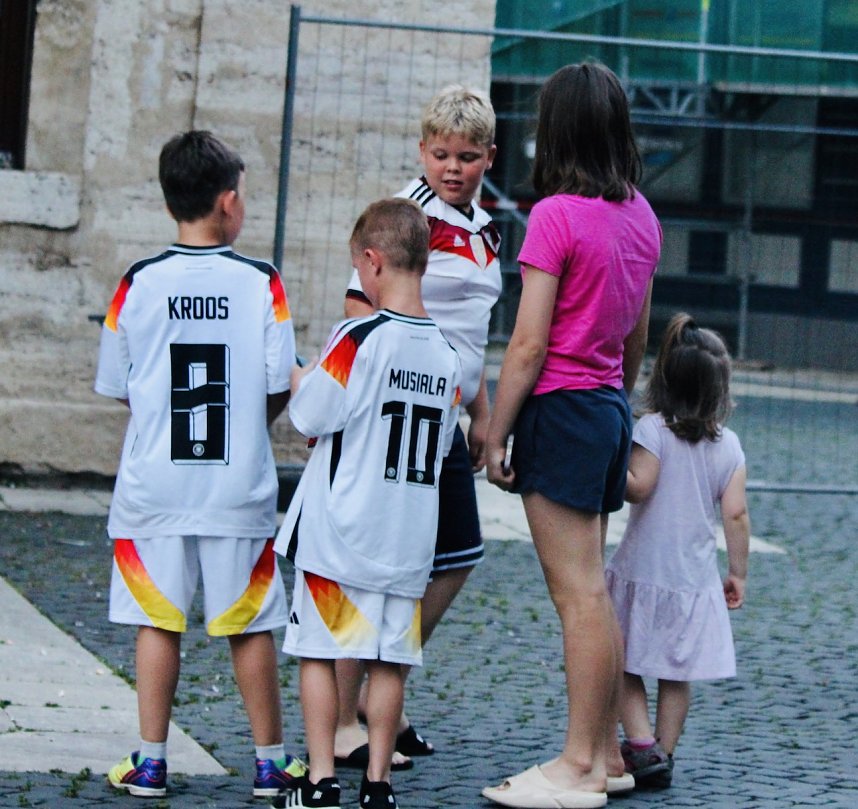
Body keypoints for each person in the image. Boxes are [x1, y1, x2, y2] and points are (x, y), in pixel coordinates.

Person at [94, 130, 305, 799]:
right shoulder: (262, 283)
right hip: (236, 484)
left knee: (158, 619)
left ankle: (152, 761)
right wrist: (246, 427)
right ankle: (271, 762)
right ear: (227, 202)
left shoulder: (136, 283)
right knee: (250, 623)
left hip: (154, 485)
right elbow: (280, 380)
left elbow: (119, 383)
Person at [483, 62, 662, 809]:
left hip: (560, 409)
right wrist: (612, 401)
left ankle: (580, 764)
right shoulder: (643, 216)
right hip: (607, 410)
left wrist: (495, 434)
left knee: (580, 596)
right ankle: (610, 755)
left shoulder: (555, 214)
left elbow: (528, 344)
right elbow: (636, 338)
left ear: (554, 130)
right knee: (595, 591)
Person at [272, 198, 462, 809]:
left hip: (341, 532)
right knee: (389, 665)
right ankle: (378, 787)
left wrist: (301, 377)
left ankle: (321, 781)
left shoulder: (358, 337)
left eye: (359, 267)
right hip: (406, 537)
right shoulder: (448, 355)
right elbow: (439, 447)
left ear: (373, 262)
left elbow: (309, 415)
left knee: (319, 653)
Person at [337, 83, 501, 768]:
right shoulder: (407, 218)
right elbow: (359, 307)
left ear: (490, 157)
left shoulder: (487, 227)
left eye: (467, 155)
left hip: (448, 417)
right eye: (441, 154)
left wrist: (483, 415)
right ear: (421, 150)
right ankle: (343, 720)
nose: (453, 167)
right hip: (402, 416)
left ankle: (382, 689)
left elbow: (472, 332)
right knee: (375, 568)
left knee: (455, 555)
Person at [606, 313, 750, 788]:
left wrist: (609, 465)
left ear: (664, 380)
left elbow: (639, 487)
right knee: (676, 674)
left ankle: (641, 745)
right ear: (720, 390)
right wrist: (738, 572)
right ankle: (664, 752)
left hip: (642, 570)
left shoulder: (652, 430)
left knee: (622, 662)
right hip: (693, 580)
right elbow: (735, 514)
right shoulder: (729, 446)